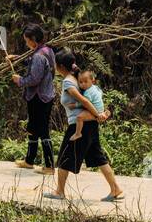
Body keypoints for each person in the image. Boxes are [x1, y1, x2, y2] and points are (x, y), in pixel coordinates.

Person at [44, 50, 123, 202]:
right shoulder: (77, 77)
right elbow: (93, 95)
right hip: (90, 125)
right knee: (99, 157)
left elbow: (86, 101)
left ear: (60, 66)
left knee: (65, 157)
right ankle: (115, 189)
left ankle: (59, 191)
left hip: (79, 125)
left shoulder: (69, 81)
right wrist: (98, 114)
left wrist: (97, 115)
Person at [9, 23, 56, 175]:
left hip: (39, 97)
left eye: (27, 40)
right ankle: (29, 160)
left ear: (33, 39)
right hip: (45, 95)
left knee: (42, 130)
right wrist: (16, 58)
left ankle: (49, 166)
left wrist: (20, 80)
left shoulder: (38, 55)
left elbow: (34, 78)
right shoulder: (47, 50)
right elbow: (32, 64)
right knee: (32, 128)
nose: (26, 43)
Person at [69, 69, 104, 141]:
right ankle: (103, 113)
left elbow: (85, 103)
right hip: (100, 108)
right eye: (80, 82)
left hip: (94, 111)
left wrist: (74, 105)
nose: (83, 84)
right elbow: (101, 93)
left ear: (92, 81)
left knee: (79, 118)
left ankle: (78, 133)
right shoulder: (96, 88)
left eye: (85, 81)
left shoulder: (87, 92)